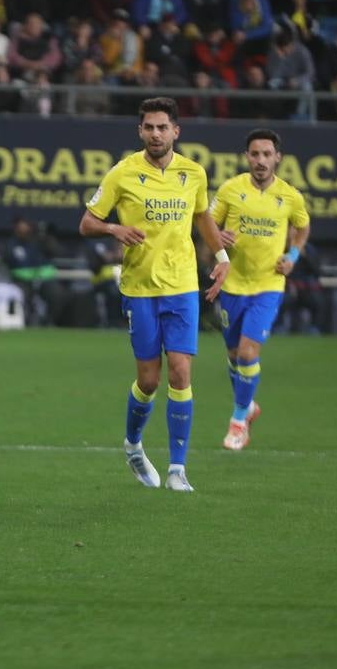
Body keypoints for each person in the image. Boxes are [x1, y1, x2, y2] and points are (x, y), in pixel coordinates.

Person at [79, 97, 232, 493]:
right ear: (140, 131)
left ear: (176, 131)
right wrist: (115, 230)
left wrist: (221, 257)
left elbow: (202, 217)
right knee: (148, 380)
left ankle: (178, 468)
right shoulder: (123, 173)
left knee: (181, 372)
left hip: (181, 286)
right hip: (139, 288)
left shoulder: (193, 173)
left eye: (163, 127)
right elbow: (87, 222)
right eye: (149, 127)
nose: (156, 134)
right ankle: (133, 445)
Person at [209, 128, 310, 451]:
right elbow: (205, 222)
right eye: (255, 154)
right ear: (247, 157)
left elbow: (302, 226)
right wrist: (217, 237)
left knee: (249, 353)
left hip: (268, 285)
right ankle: (249, 404)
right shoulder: (230, 189)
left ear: (277, 157)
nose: (261, 160)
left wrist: (292, 255)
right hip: (233, 284)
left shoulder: (290, 196)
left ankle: (238, 422)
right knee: (234, 356)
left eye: (267, 154)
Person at [3, 216, 67, 326]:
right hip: (22, 280)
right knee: (20, 296)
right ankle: (26, 322)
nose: (23, 228)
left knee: (57, 295)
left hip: (44, 278)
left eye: (25, 225)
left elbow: (58, 252)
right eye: (20, 225)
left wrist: (48, 238)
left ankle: (48, 322)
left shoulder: (40, 239)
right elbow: (5, 261)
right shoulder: (11, 244)